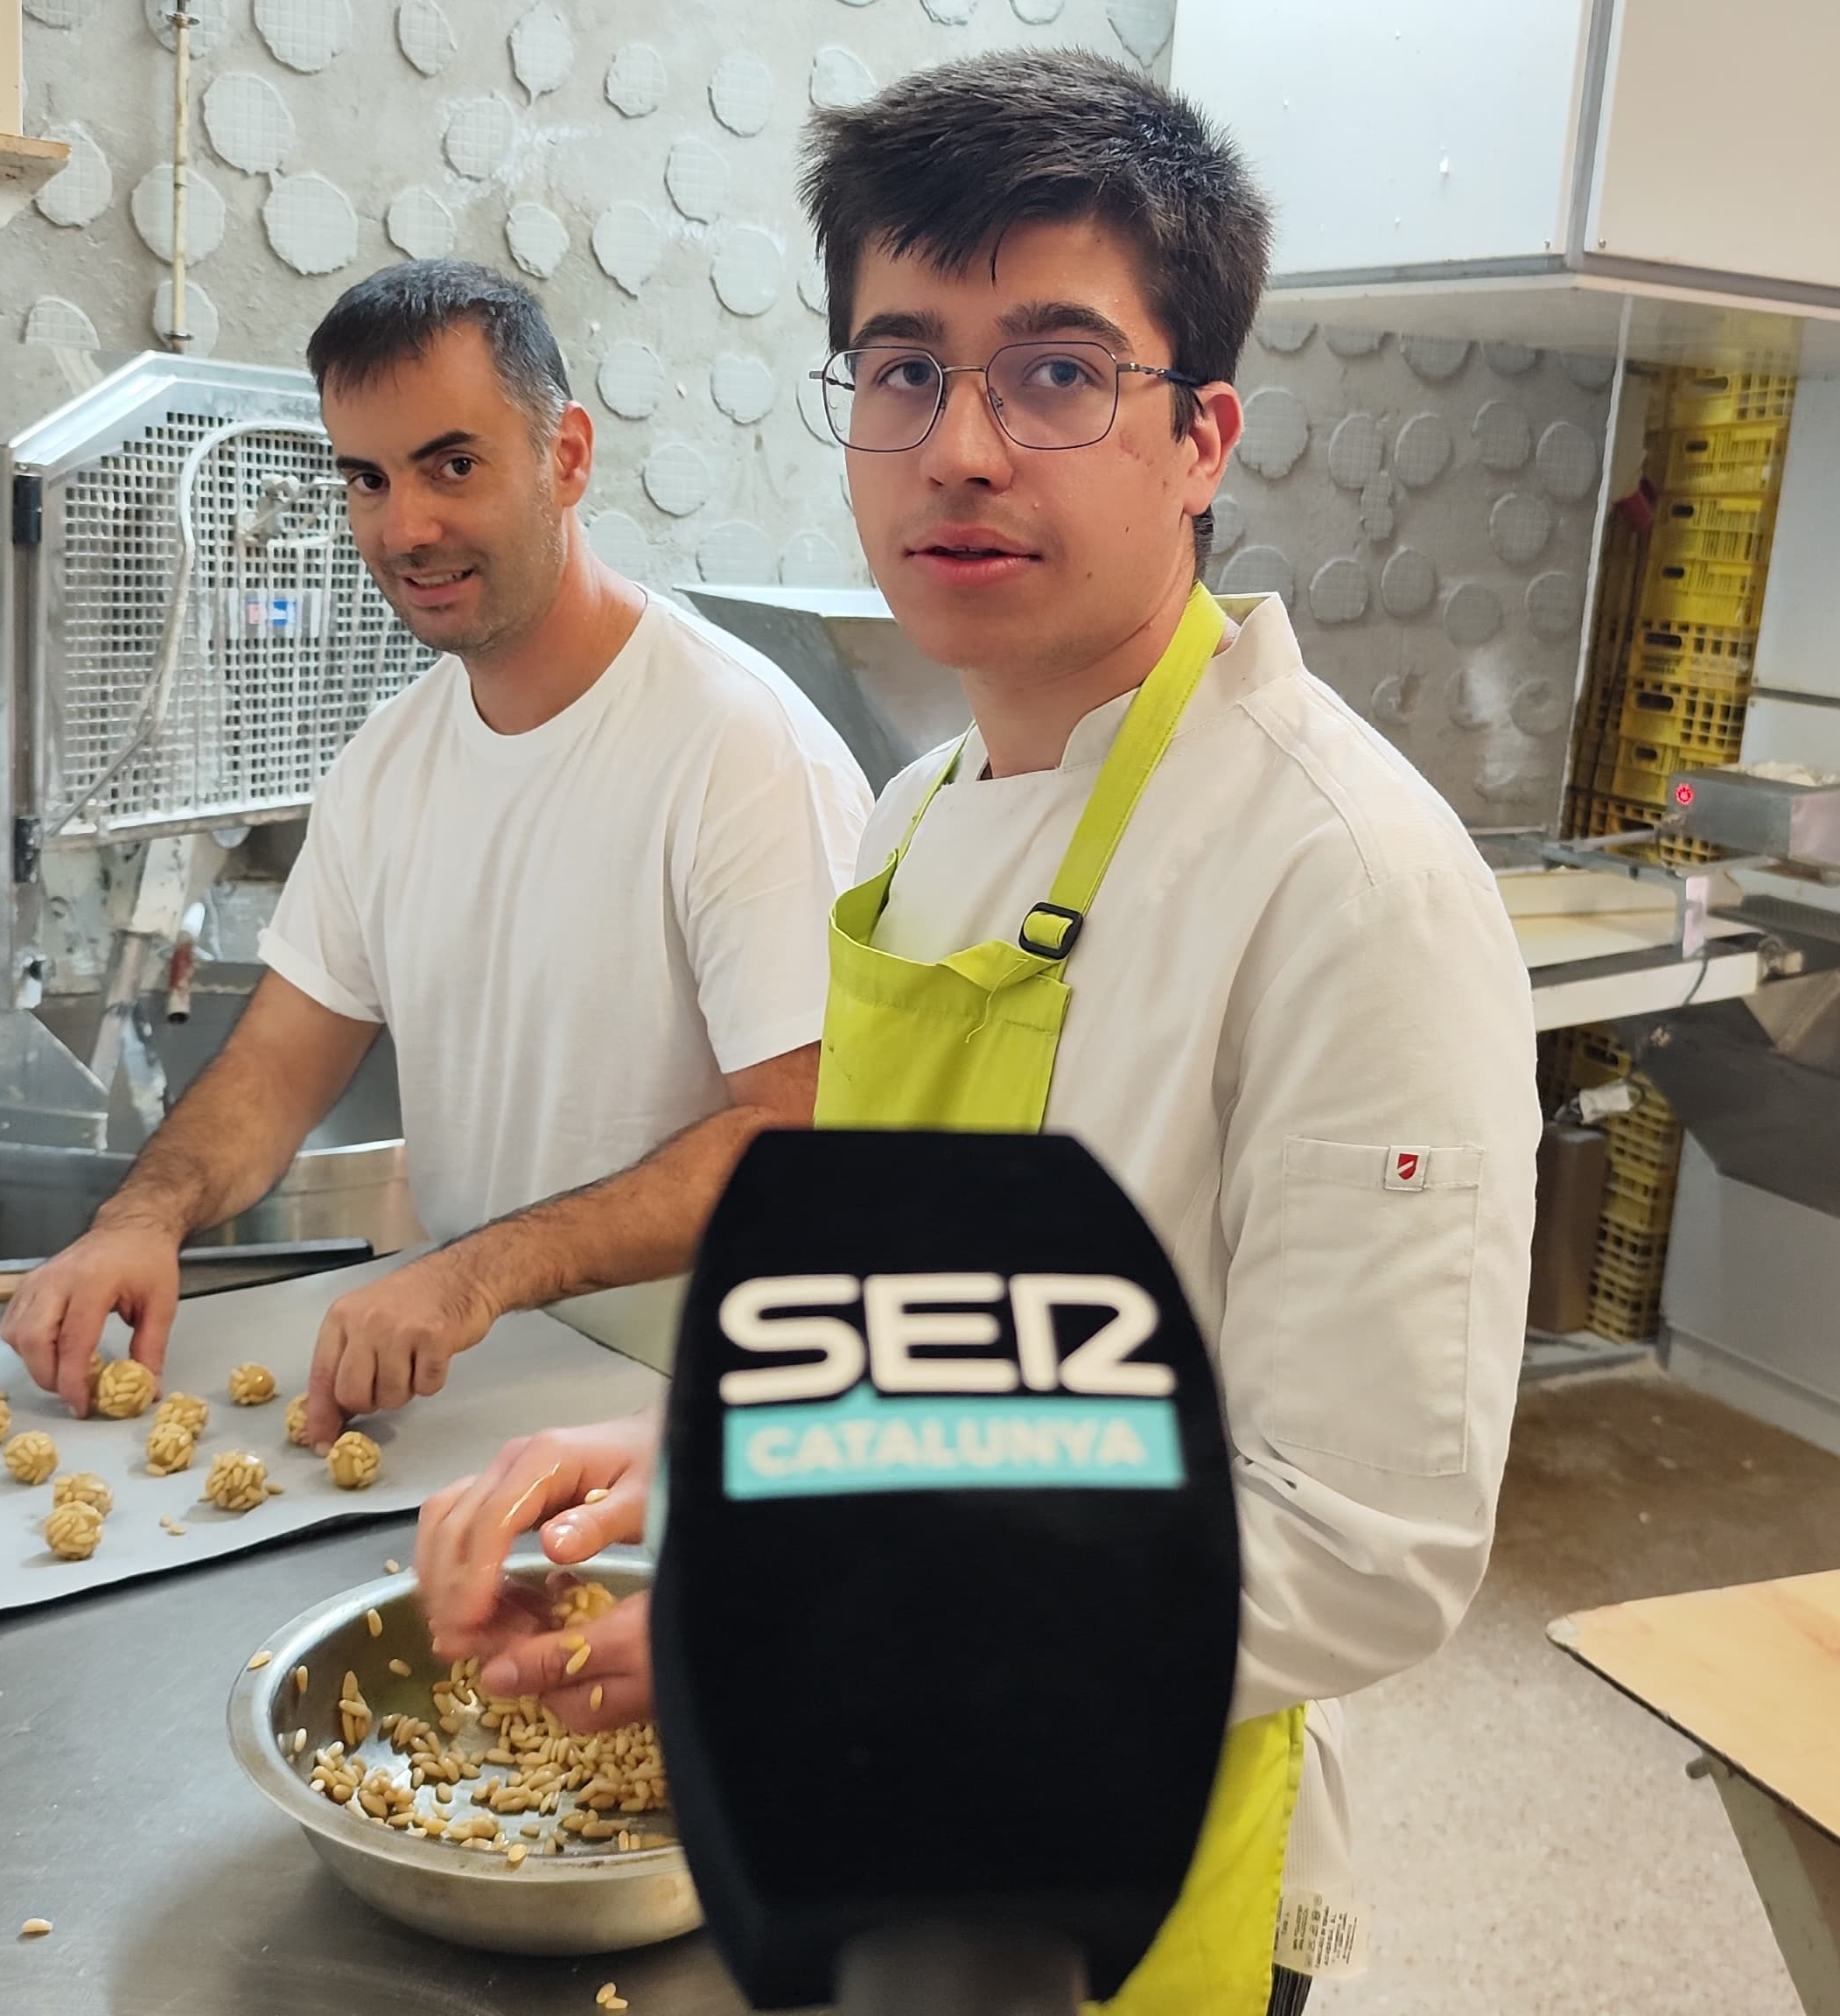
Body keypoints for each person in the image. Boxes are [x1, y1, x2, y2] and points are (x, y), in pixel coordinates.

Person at [411, 52, 1540, 2015]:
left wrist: (795, 1630)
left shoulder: (1343, 878)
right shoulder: (923, 818)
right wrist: (704, 1473)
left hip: (1139, 1887)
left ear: (1200, 436)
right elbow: (940, 1360)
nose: (956, 448)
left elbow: (1366, 1550)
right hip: (881, 1844)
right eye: (902, 369)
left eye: (1053, 371)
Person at [0, 261, 872, 1441]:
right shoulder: (389, 762)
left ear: (566, 456)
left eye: (452, 466)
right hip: (466, 1400)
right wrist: (141, 1219)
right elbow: (275, 1068)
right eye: (366, 479)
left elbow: (806, 1135)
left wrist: (475, 1272)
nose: (406, 528)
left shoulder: (738, 748)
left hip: (685, 1423)